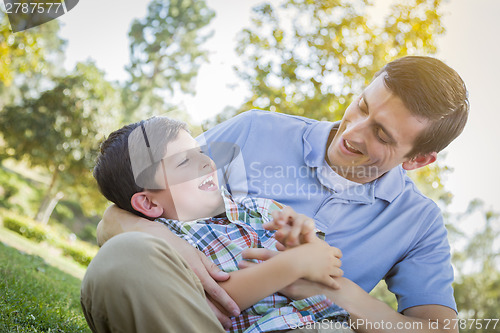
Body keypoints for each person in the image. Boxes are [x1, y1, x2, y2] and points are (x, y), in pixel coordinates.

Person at [87, 56, 469, 332]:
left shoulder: (419, 223)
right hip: (194, 317)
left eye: (381, 134)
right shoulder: (255, 130)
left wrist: (334, 291)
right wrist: (169, 244)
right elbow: (130, 203)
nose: (353, 131)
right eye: (362, 106)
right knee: (124, 258)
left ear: (418, 160)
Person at [82, 117, 351, 332]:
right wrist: (295, 264)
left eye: (200, 152)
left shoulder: (259, 208)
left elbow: (325, 260)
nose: (207, 163)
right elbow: (218, 301)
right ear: (150, 204)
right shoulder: (168, 244)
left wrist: (304, 238)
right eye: (185, 161)